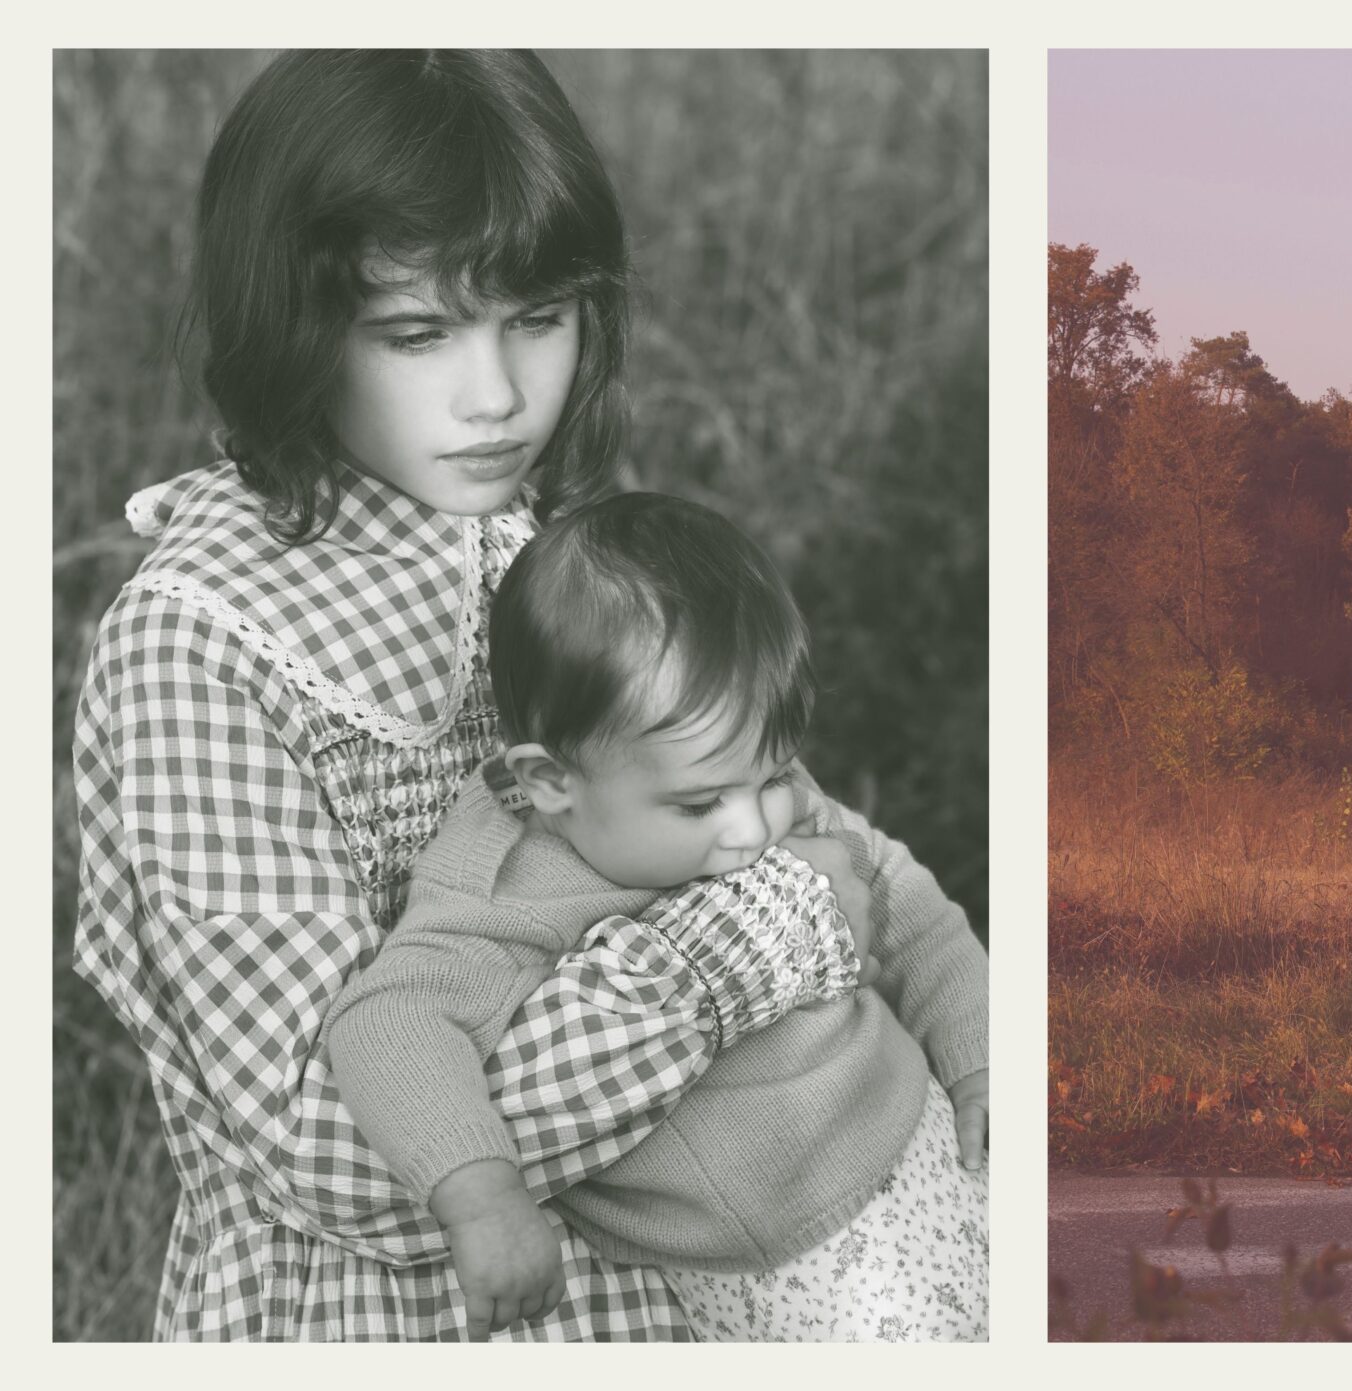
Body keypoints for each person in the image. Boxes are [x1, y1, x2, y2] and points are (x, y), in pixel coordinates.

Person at [70, 50, 963, 1342]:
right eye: (419, 332)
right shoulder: (201, 645)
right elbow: (336, 1150)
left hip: (658, 1300)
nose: (496, 396)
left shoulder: (533, 540)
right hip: (398, 1323)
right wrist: (728, 961)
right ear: (291, 319)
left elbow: (793, 838)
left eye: (539, 318)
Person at [327, 494, 989, 1342]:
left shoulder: (734, 773)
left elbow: (904, 902)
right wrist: (480, 1193)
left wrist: (978, 1055)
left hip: (921, 1132)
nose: (751, 828)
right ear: (551, 781)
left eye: (776, 775)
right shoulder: (507, 879)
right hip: (792, 1261)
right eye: (701, 802)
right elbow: (393, 1018)